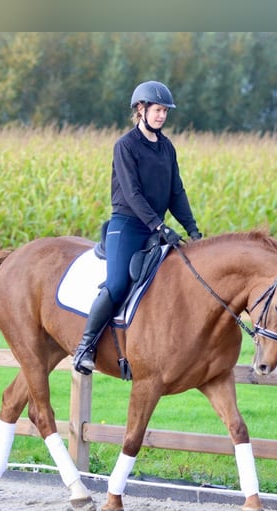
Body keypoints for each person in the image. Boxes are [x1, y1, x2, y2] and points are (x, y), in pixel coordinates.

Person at [73, 80, 202, 375]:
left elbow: (176, 192)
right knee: (117, 284)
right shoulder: (125, 146)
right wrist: (159, 225)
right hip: (128, 225)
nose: (161, 116)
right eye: (157, 110)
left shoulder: (167, 148)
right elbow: (132, 193)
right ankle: (85, 347)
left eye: (165, 112)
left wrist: (192, 229)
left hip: (154, 228)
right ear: (141, 110)